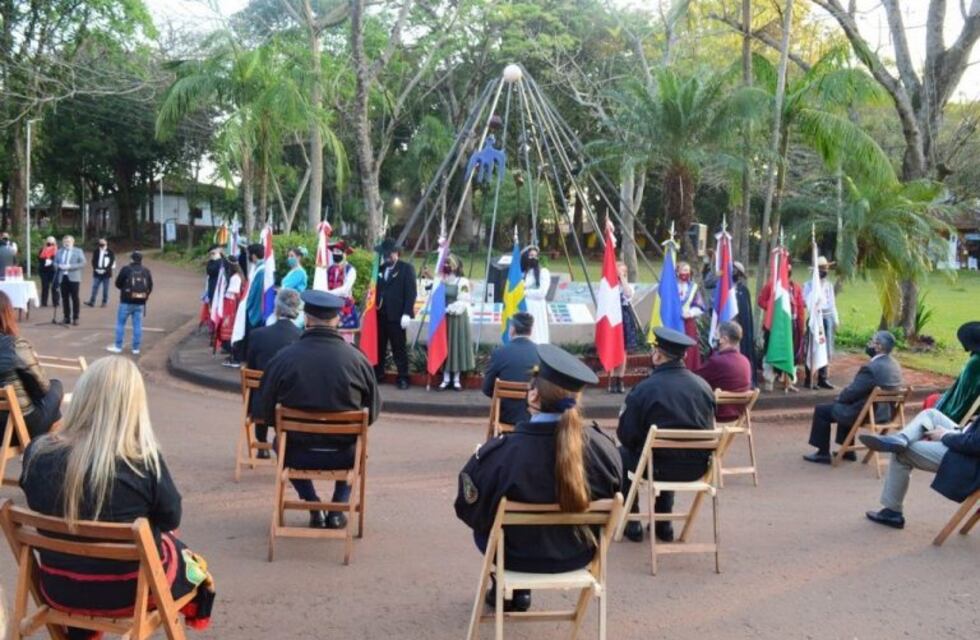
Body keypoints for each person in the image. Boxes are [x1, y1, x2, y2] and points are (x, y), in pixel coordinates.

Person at [19, 357, 214, 635]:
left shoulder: (37, 453)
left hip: (59, 588)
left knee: (76, 541)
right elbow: (171, 517)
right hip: (129, 593)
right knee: (179, 551)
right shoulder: (143, 461)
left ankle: (83, 632)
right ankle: (197, 607)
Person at [455, 344, 622, 612]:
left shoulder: (501, 454)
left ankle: (512, 590)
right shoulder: (605, 451)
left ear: (533, 395)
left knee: (486, 528)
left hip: (513, 556)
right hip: (578, 555)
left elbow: (468, 508)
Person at [259, 290, 380, 529]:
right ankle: (338, 507)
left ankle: (313, 503)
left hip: (295, 452)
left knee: (278, 443)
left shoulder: (283, 359)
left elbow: (266, 411)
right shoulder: (358, 360)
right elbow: (372, 412)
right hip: (344, 453)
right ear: (337, 320)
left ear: (306, 318)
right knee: (361, 446)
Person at [617, 327, 716, 543]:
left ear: (658, 355)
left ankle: (632, 523)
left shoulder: (644, 389)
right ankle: (664, 524)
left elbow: (626, 435)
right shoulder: (704, 387)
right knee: (667, 451)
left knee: (622, 454)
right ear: (684, 355)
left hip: (655, 467)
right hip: (696, 468)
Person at [861, 410, 980, 529]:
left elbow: (975, 445)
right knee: (931, 414)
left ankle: (892, 512)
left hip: (970, 461)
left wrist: (945, 435)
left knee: (902, 453)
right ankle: (902, 438)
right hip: (968, 436)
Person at [803, 330, 904, 464]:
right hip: (887, 414)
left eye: (872, 341)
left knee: (823, 410)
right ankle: (848, 451)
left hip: (869, 413)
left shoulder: (871, 368)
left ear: (878, 346)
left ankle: (823, 453)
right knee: (847, 404)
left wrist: (839, 399)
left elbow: (853, 391)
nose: (869, 344)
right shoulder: (895, 365)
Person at [245, 288, 302, 458]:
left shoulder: (257, 335)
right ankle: (284, 443)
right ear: (296, 310)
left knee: (261, 387)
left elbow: (251, 367)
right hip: (290, 405)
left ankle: (261, 443)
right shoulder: (302, 338)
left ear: (277, 308)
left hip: (260, 407)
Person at [0, 292, 64, 438]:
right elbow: (42, 389)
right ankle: (46, 448)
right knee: (56, 386)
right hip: (15, 428)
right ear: (6, 314)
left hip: (7, 427)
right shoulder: (15, 345)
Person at [482, 312, 540, 425]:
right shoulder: (540, 353)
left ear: (512, 329)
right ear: (530, 331)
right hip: (533, 415)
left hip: (506, 415)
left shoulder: (499, 353)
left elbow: (487, 388)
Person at [757, 260, 806, 391]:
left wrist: (801, 325)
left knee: (791, 351)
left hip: (792, 324)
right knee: (771, 350)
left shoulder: (796, 288)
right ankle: (769, 379)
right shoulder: (771, 286)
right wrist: (772, 307)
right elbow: (761, 301)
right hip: (774, 325)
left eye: (788, 271)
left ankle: (788, 380)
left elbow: (800, 306)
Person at [375, 239, 417, 389]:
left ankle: (403, 377)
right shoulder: (379, 269)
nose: (386, 258)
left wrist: (407, 313)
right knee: (379, 347)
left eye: (389, 255)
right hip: (380, 314)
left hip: (397, 316)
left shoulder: (406, 269)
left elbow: (411, 293)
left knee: (398, 348)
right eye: (384, 255)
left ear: (396, 253)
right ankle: (378, 373)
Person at [695, 320, 752, 422]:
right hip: (738, 416)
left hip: (716, 415)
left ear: (724, 339)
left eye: (716, 335)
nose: (714, 338)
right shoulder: (745, 361)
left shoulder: (717, 361)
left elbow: (694, 380)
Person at [928, 321, 980, 424]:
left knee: (930, 401)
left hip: (958, 413)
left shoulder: (975, 362)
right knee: (933, 398)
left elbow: (964, 395)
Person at [438, 254, 474, 391]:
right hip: (443, 318)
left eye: (449, 263)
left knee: (456, 345)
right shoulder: (442, 280)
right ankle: (446, 378)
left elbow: (463, 300)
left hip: (457, 317)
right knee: (444, 345)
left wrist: (449, 309)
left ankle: (456, 379)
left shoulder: (462, 281)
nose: (447, 266)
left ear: (456, 266)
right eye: (445, 263)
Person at [802, 256, 839, 389]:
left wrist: (835, 319)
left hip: (827, 319)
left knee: (826, 348)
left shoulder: (829, 285)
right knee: (812, 348)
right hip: (815, 318)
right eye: (822, 269)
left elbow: (832, 304)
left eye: (826, 269)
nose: (825, 271)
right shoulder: (808, 285)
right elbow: (805, 302)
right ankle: (809, 378)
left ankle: (823, 378)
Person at [106, 252, 153, 356]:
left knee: (120, 324)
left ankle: (118, 346)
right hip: (140, 302)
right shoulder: (146, 270)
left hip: (126, 301)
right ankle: (136, 348)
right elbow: (150, 286)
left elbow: (118, 283)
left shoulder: (126, 269)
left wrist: (125, 289)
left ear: (131, 259)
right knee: (137, 325)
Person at [609, 261, 642, 394]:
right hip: (612, 317)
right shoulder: (608, 286)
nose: (620, 273)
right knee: (612, 348)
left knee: (623, 349)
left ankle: (620, 378)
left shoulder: (627, 286)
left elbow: (628, 294)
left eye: (623, 271)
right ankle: (612, 378)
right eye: (618, 271)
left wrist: (623, 279)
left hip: (624, 317)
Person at [675, 261, 705, 371]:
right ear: (677, 272)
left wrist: (691, 313)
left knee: (689, 348)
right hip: (674, 322)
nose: (686, 273)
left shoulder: (693, 287)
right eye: (683, 270)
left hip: (688, 322)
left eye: (688, 270)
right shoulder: (672, 286)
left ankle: (689, 370)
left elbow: (699, 305)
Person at [732, 261, 757, 387]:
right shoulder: (724, 289)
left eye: (736, 271)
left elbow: (746, 314)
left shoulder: (743, 291)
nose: (734, 273)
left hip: (740, 329)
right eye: (732, 270)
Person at [520, 245, 550, 344]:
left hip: (537, 308)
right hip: (525, 308)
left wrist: (525, 293)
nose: (533, 258)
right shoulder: (524, 273)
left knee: (537, 333)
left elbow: (542, 293)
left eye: (535, 256)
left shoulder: (543, 272)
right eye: (531, 255)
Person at [325, 240, 359, 329]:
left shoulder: (350, 270)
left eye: (338, 252)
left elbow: (345, 290)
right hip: (330, 306)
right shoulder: (329, 269)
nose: (335, 254)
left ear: (344, 254)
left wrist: (327, 292)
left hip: (345, 307)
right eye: (334, 252)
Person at [218, 260, 246, 365]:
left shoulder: (235, 277)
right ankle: (232, 352)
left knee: (229, 329)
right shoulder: (240, 276)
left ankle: (232, 354)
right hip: (233, 304)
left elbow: (233, 293)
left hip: (231, 305)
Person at [55, 235, 86, 326]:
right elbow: (55, 262)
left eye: (68, 241)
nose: (66, 243)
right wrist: (58, 266)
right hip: (62, 277)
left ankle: (76, 317)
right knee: (64, 298)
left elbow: (83, 263)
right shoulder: (59, 251)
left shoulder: (78, 251)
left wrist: (70, 266)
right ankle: (66, 317)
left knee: (75, 298)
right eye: (65, 242)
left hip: (74, 277)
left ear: (73, 242)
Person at [84, 238, 115, 308]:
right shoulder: (96, 251)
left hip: (106, 273)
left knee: (105, 288)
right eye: (100, 243)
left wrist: (105, 270)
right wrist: (96, 269)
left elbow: (111, 262)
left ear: (106, 243)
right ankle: (92, 301)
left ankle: (104, 302)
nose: (101, 244)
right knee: (95, 287)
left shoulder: (110, 251)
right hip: (97, 272)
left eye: (103, 243)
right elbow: (93, 261)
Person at [38, 236, 59, 307]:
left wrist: (51, 261)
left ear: (54, 242)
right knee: (45, 286)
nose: (50, 242)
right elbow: (39, 258)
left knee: (55, 286)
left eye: (52, 241)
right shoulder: (42, 249)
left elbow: (58, 259)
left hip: (53, 270)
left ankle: (56, 302)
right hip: (44, 270)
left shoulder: (57, 249)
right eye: (49, 240)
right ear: (47, 241)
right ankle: (44, 302)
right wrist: (45, 260)